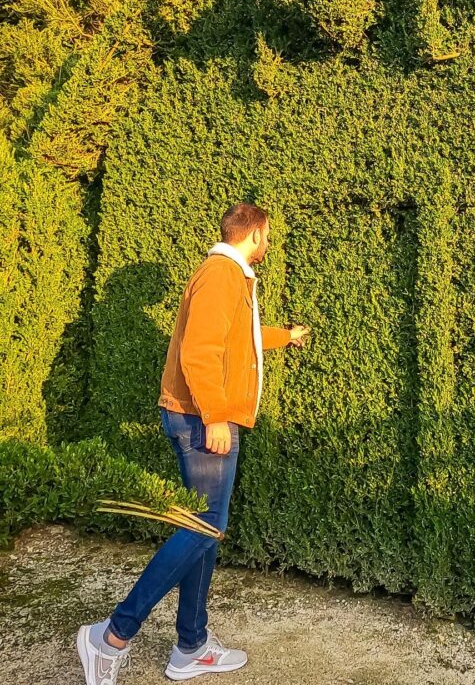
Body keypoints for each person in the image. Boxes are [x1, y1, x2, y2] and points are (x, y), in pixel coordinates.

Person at [76, 202, 310, 684]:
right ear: (257, 233)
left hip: (202, 419)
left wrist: (284, 336)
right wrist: (217, 416)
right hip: (202, 422)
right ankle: (111, 636)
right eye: (268, 235)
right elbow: (199, 351)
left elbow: (235, 340)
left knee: (207, 530)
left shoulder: (229, 276)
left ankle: (191, 644)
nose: (269, 243)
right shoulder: (221, 274)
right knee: (203, 526)